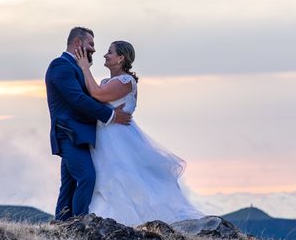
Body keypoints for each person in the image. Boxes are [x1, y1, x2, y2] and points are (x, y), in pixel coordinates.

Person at [73, 40, 203, 226]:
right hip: (105, 140)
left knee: (126, 179)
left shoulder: (126, 81)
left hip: (121, 141)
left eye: (110, 52)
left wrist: (85, 68)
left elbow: (98, 95)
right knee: (105, 181)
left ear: (120, 58)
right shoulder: (106, 81)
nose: (105, 55)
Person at [45, 27, 132, 221]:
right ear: (78, 43)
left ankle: (61, 227)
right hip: (69, 134)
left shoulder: (74, 67)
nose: (94, 49)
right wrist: (110, 115)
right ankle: (80, 225)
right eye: (91, 44)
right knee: (87, 177)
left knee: (68, 186)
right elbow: (76, 99)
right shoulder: (60, 66)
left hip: (80, 135)